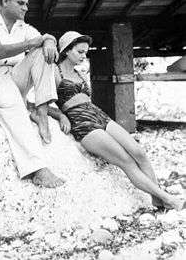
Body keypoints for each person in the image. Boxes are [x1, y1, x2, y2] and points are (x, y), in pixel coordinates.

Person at [31, 31, 186, 210]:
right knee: (125, 160)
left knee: (139, 153)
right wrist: (60, 114)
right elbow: (37, 102)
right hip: (82, 122)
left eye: (85, 53)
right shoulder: (54, 72)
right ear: (66, 50)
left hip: (99, 115)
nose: (84, 56)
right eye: (80, 52)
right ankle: (169, 199)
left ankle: (158, 200)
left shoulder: (79, 73)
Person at [0, 0, 64, 188]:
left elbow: (46, 40)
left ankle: (41, 111)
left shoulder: (23, 27)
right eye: (21, 3)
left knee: (42, 54)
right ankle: (37, 169)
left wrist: (48, 42)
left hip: (14, 75)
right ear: (5, 1)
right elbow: (0, 52)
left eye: (27, 4)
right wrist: (35, 41)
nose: (26, 8)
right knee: (15, 107)